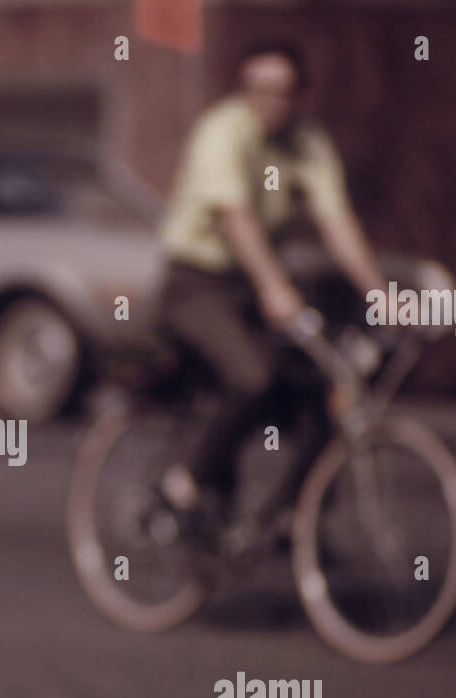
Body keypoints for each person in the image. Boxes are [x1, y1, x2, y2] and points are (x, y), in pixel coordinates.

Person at [155, 41, 390, 555]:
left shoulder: (307, 141)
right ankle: (185, 482)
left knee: (326, 390)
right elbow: (234, 217)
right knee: (251, 375)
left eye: (280, 91)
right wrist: (272, 286)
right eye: (257, 89)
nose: (269, 101)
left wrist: (380, 294)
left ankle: (292, 516)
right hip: (197, 283)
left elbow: (336, 220)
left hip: (252, 287)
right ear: (243, 90)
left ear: (300, 94)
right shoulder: (221, 131)